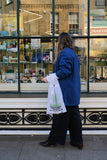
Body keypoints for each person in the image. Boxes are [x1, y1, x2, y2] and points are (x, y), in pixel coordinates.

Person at [40, 32, 83, 149]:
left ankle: (53, 140)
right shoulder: (73, 53)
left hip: (66, 92)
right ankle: (77, 141)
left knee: (58, 117)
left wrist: (48, 78)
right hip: (73, 92)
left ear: (61, 42)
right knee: (74, 119)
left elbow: (65, 71)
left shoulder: (65, 54)